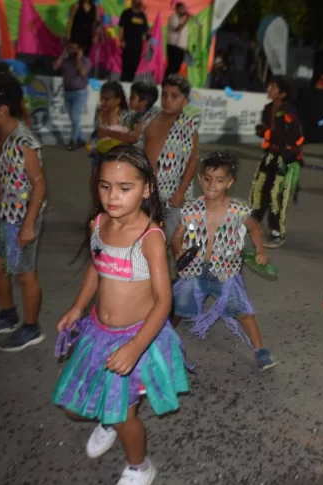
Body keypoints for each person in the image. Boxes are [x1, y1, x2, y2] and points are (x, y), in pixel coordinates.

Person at [52, 145, 188, 485]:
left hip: (136, 338)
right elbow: (95, 269)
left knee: (126, 416)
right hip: (98, 333)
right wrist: (78, 307)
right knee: (71, 407)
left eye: (125, 188)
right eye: (105, 186)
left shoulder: (149, 237)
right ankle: (108, 419)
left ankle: (140, 466)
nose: (112, 196)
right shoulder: (98, 224)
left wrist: (135, 347)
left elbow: (163, 301)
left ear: (146, 189)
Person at [171, 151, 277, 370]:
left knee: (243, 312)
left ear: (229, 183)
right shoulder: (191, 209)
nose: (212, 185)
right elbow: (176, 237)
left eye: (219, 180)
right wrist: (178, 250)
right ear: (200, 178)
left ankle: (260, 350)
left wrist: (259, 249)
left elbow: (254, 228)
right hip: (194, 271)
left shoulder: (238, 210)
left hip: (225, 272)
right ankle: (167, 344)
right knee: (178, 308)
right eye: (207, 179)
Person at [0, 71, 47, 352]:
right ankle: (7, 314)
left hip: (20, 217)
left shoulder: (23, 142)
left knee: (24, 273)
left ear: (1, 110)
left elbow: (39, 185)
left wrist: (28, 225)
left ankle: (31, 327)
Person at [138, 74, 199, 243]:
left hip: (173, 194)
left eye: (174, 96)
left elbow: (193, 160)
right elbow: (137, 147)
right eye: (164, 94)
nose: (167, 100)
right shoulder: (150, 118)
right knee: (144, 235)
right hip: (146, 190)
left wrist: (181, 191)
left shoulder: (188, 126)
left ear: (185, 101)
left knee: (173, 238)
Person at [249, 76, 303, 249]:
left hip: (286, 159)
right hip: (270, 156)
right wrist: (263, 131)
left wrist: (269, 134)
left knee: (276, 194)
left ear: (283, 93)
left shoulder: (289, 111)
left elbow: (295, 135)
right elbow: (267, 130)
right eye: (269, 86)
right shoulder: (268, 109)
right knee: (260, 189)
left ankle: (276, 232)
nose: (269, 90)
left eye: (273, 87)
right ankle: (254, 222)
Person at [53, 42, 92, 151]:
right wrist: (62, 53)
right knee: (74, 119)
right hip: (67, 93)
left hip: (79, 93)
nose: (71, 50)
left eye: (74, 48)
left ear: (78, 49)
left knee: (75, 117)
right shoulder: (66, 61)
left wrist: (78, 58)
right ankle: (81, 139)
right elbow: (55, 67)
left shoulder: (85, 60)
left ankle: (73, 141)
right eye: (69, 48)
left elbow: (83, 72)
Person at [97, 81, 159, 146]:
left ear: (144, 101)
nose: (129, 99)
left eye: (132, 97)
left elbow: (133, 138)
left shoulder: (153, 115)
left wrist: (108, 133)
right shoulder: (135, 114)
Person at [119, 0, 150, 82]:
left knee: (135, 65)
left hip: (138, 45)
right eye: (137, 1)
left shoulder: (142, 15)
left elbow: (146, 30)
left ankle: (130, 82)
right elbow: (121, 27)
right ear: (133, 2)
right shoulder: (126, 13)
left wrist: (148, 35)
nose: (139, 2)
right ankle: (124, 81)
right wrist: (122, 40)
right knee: (127, 64)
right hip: (127, 44)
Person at [165, 2, 191, 76]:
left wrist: (186, 47)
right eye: (181, 8)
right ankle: (167, 79)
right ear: (176, 9)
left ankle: (173, 80)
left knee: (178, 66)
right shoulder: (173, 17)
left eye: (184, 8)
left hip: (181, 47)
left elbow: (183, 35)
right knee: (172, 65)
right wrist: (186, 20)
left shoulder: (182, 19)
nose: (183, 10)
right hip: (173, 46)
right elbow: (177, 29)